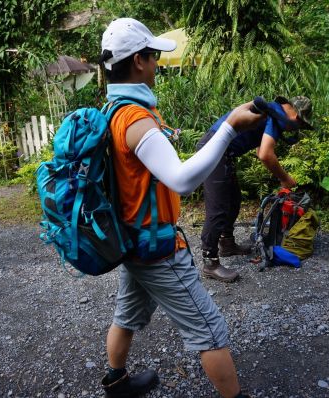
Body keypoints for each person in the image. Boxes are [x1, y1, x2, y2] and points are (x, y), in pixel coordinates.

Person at [98, 17, 264, 398]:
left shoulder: (112, 111)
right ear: (138, 61)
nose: (157, 64)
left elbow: (162, 172)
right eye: (154, 57)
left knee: (127, 315)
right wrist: (230, 126)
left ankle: (117, 383)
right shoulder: (136, 120)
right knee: (209, 329)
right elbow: (184, 180)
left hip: (131, 239)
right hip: (155, 248)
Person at [197, 96, 313, 282]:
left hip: (223, 153)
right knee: (218, 208)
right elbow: (266, 155)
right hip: (213, 150)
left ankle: (227, 244)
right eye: (300, 126)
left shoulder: (271, 114)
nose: (296, 130)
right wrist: (285, 178)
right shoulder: (275, 116)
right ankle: (210, 263)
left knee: (234, 201)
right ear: (297, 118)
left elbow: (260, 150)